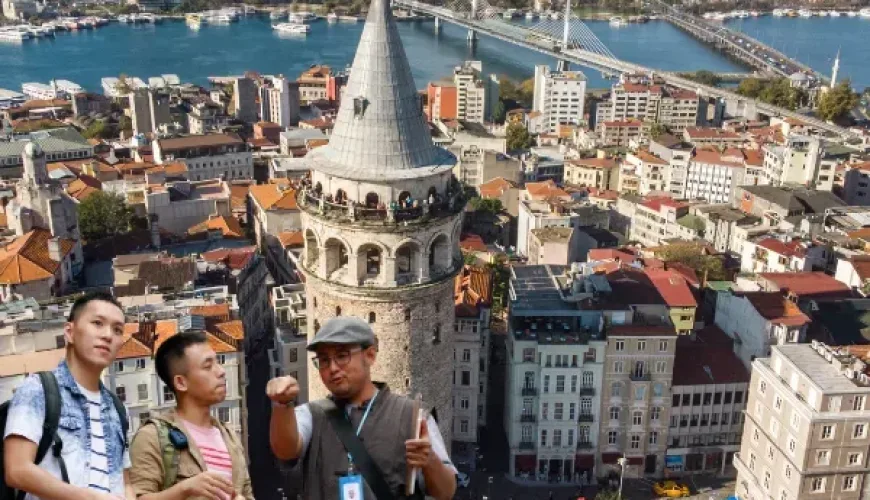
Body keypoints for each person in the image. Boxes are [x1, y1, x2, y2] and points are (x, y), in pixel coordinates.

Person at [268, 317, 457, 500]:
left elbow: (446, 492)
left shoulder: (413, 416)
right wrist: (282, 405)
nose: (332, 368)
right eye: (324, 360)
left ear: (370, 355)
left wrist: (429, 460)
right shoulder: (311, 414)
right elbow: (286, 449)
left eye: (342, 356)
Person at [3, 292, 132, 500]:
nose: (108, 335)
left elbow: (125, 483)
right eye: (98, 323)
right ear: (70, 332)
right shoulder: (38, 390)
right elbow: (17, 470)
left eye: (117, 330)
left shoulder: (118, 409)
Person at [128, 331, 253, 500]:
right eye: (208, 366)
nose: (221, 372)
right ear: (181, 382)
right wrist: (184, 490)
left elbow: (247, 493)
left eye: (218, 362)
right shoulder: (152, 436)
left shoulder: (229, 436)